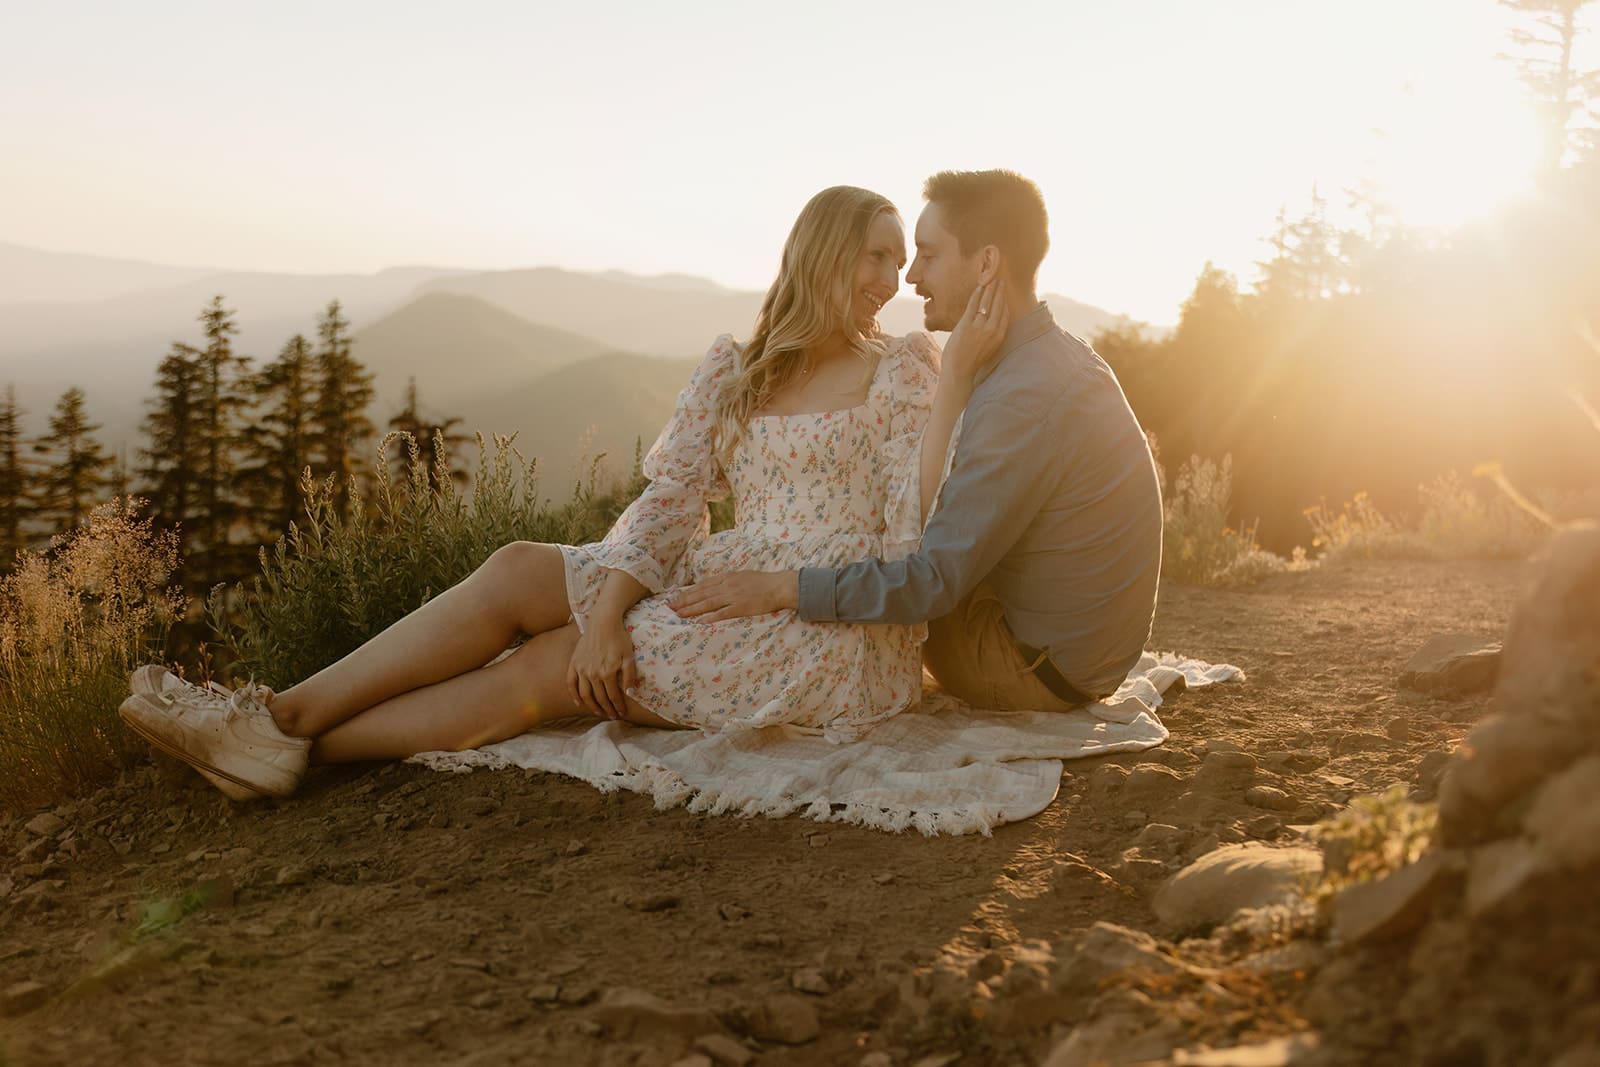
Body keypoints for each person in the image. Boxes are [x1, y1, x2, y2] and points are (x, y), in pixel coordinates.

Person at [119, 185, 1011, 800]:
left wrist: (958, 382)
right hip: (722, 576)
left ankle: (290, 744)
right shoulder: (734, 368)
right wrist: (612, 611)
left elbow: (913, 523)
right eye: (875, 255)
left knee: (550, 667)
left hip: (827, 627)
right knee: (517, 570)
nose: (890, 281)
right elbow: (669, 504)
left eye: (901, 262)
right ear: (820, 252)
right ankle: (274, 720)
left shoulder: (902, 371)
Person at [671, 170, 1163, 713]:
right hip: (1071, 652)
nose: (911, 278)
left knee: (852, 575)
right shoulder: (1048, 355)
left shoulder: (1020, 397)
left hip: (1026, 667)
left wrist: (781, 587)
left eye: (926, 255)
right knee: (871, 548)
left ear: (987, 264)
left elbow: (929, 582)